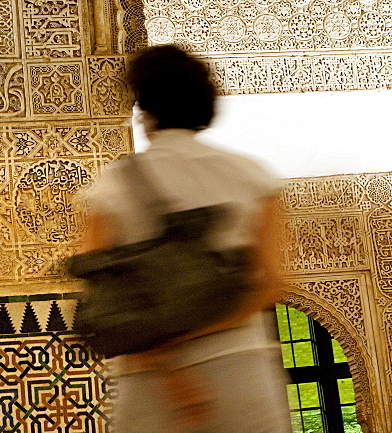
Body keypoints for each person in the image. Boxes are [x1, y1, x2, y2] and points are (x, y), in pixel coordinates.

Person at [81, 44, 292, 433]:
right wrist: (204, 334)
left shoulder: (113, 185)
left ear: (144, 111)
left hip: (151, 386)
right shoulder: (252, 177)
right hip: (243, 373)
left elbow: (103, 301)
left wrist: (170, 369)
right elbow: (270, 286)